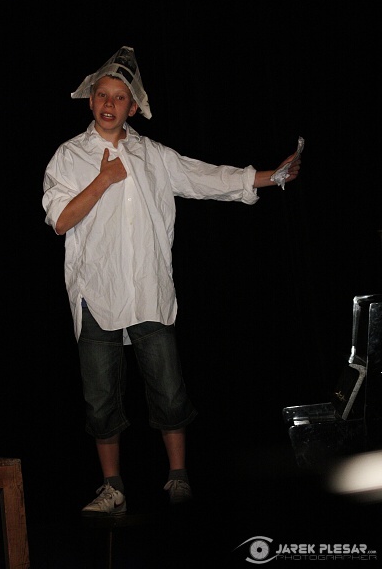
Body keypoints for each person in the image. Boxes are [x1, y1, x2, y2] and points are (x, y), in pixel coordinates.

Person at [42, 45, 302, 516]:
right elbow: (60, 220)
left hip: (149, 290)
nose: (109, 103)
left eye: (119, 97)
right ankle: (113, 488)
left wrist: (271, 176)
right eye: (102, 94)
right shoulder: (68, 156)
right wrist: (103, 179)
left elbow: (206, 178)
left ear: (132, 107)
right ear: (91, 100)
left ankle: (179, 477)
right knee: (100, 400)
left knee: (169, 389)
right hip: (96, 294)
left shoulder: (152, 155)